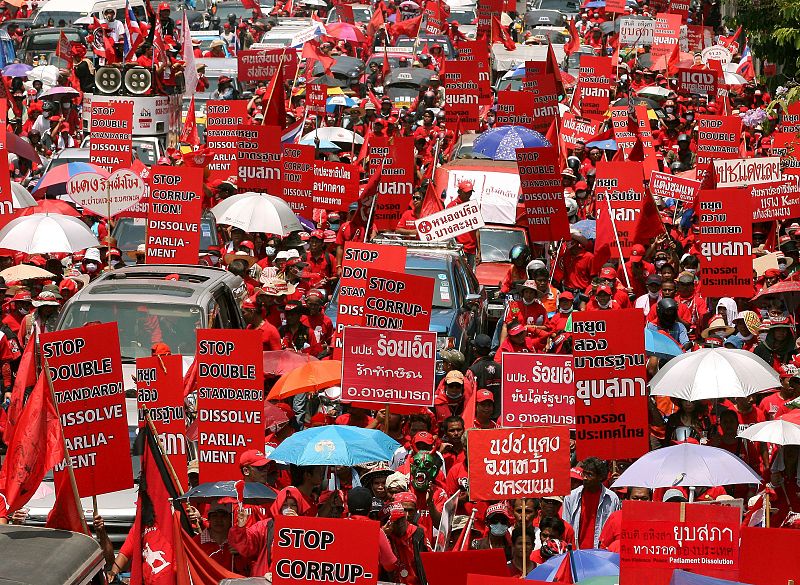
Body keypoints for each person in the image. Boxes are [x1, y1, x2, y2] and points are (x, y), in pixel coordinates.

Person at [562, 457, 621, 549]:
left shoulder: (612, 499)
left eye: (590, 475)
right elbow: (566, 528)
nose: (585, 478)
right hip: (576, 553)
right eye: (584, 473)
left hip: (601, 554)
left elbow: (615, 528)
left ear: (600, 477)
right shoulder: (570, 497)